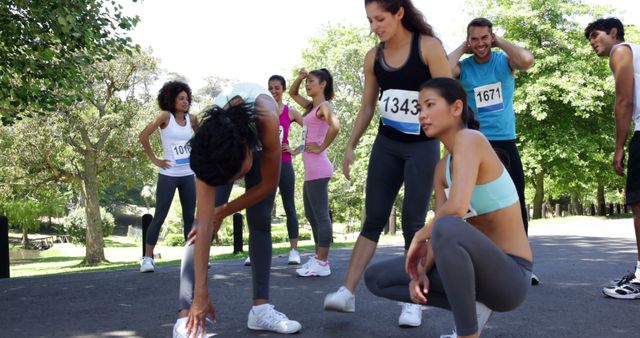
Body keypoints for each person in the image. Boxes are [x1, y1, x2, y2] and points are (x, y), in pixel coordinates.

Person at [365, 77, 533, 338]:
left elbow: (455, 210)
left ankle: (467, 333)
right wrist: (421, 271)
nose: (422, 115)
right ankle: (472, 305)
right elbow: (441, 229)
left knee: (446, 225)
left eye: (430, 105)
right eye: (419, 108)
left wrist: (420, 235)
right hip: (476, 277)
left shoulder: (471, 139)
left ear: (456, 108)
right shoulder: (441, 169)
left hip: (511, 276)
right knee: (377, 278)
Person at [325, 0, 451, 327]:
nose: (374, 26)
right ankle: (347, 292)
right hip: (388, 144)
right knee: (374, 217)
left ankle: (414, 300)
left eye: (380, 18)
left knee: (412, 220)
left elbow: (451, 99)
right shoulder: (373, 58)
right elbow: (367, 107)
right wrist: (350, 145)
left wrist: (454, 150)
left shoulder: (428, 48)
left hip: (422, 147)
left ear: (399, 13)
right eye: (369, 20)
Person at [172, 83, 301, 337]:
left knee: (261, 221)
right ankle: (187, 317)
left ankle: (261, 310)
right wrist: (201, 294)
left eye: (236, 176)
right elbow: (206, 221)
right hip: (225, 147)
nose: (236, 181)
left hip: (259, 143)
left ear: (246, 148)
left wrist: (224, 210)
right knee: (199, 228)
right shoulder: (207, 145)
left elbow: (267, 185)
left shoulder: (267, 118)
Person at [447, 17, 538, 284]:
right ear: (468, 41)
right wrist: (460, 49)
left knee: (515, 200)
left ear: (492, 37)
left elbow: (527, 60)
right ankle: (481, 264)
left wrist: (501, 43)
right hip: (473, 142)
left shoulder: (503, 61)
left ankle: (523, 265)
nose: (480, 44)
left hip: (504, 141)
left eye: (485, 38)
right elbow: (441, 72)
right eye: (474, 39)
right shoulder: (463, 67)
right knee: (473, 204)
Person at [585, 17, 640, 299]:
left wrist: (619, 147)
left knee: (638, 203)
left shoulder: (621, 50)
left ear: (613, 32)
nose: (593, 42)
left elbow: (624, 101)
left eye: (596, 35)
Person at [138, 81, 198, 273]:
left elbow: (203, 139)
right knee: (159, 217)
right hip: (168, 175)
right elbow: (143, 135)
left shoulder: (193, 119)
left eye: (187, 99)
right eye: (181, 98)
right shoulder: (165, 116)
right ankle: (147, 259)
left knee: (190, 218)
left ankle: (191, 259)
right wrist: (155, 159)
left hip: (188, 175)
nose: (185, 102)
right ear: (171, 99)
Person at [288, 68, 340, 277]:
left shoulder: (324, 106)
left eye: (311, 81)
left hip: (319, 167)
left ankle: (323, 262)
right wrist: (299, 78)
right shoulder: (312, 107)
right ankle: (318, 257)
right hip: (312, 169)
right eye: (307, 81)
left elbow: (335, 126)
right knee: (311, 214)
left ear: (323, 84)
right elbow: (292, 93)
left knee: (320, 216)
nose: (308, 84)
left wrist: (320, 147)